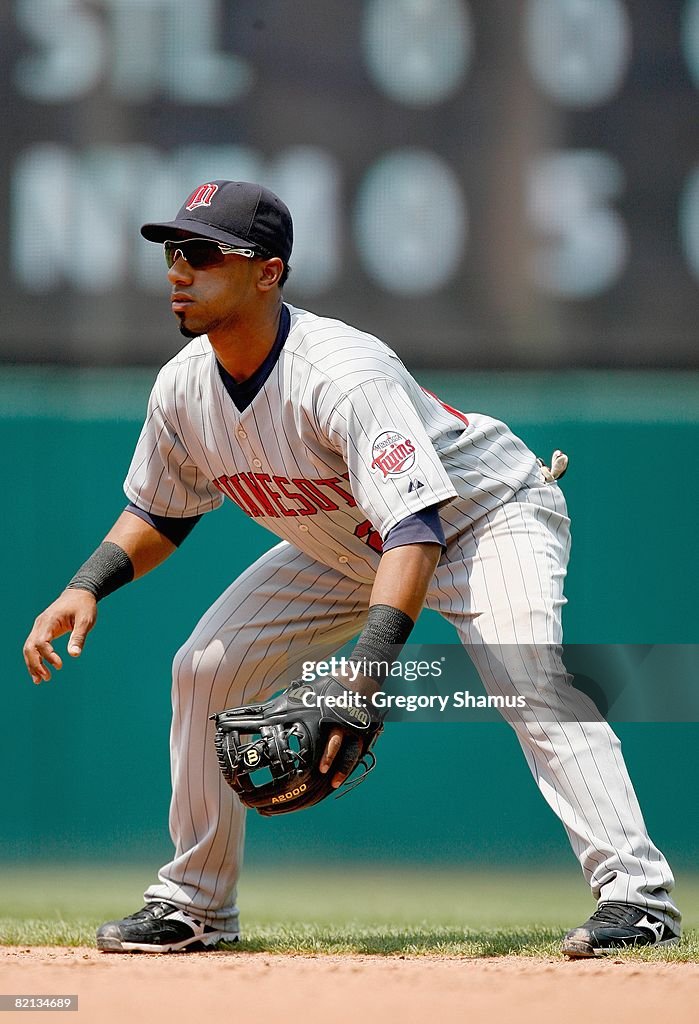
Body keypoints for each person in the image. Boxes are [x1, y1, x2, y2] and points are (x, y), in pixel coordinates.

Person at [23, 180, 680, 958]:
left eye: (201, 254)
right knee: (204, 667)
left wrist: (362, 676)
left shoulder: (340, 371)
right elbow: (163, 512)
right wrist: (85, 583)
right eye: (172, 253)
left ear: (267, 271)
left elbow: (416, 526)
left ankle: (637, 899)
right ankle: (194, 906)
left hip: (480, 518)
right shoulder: (183, 387)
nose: (178, 270)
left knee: (524, 669)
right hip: (350, 541)